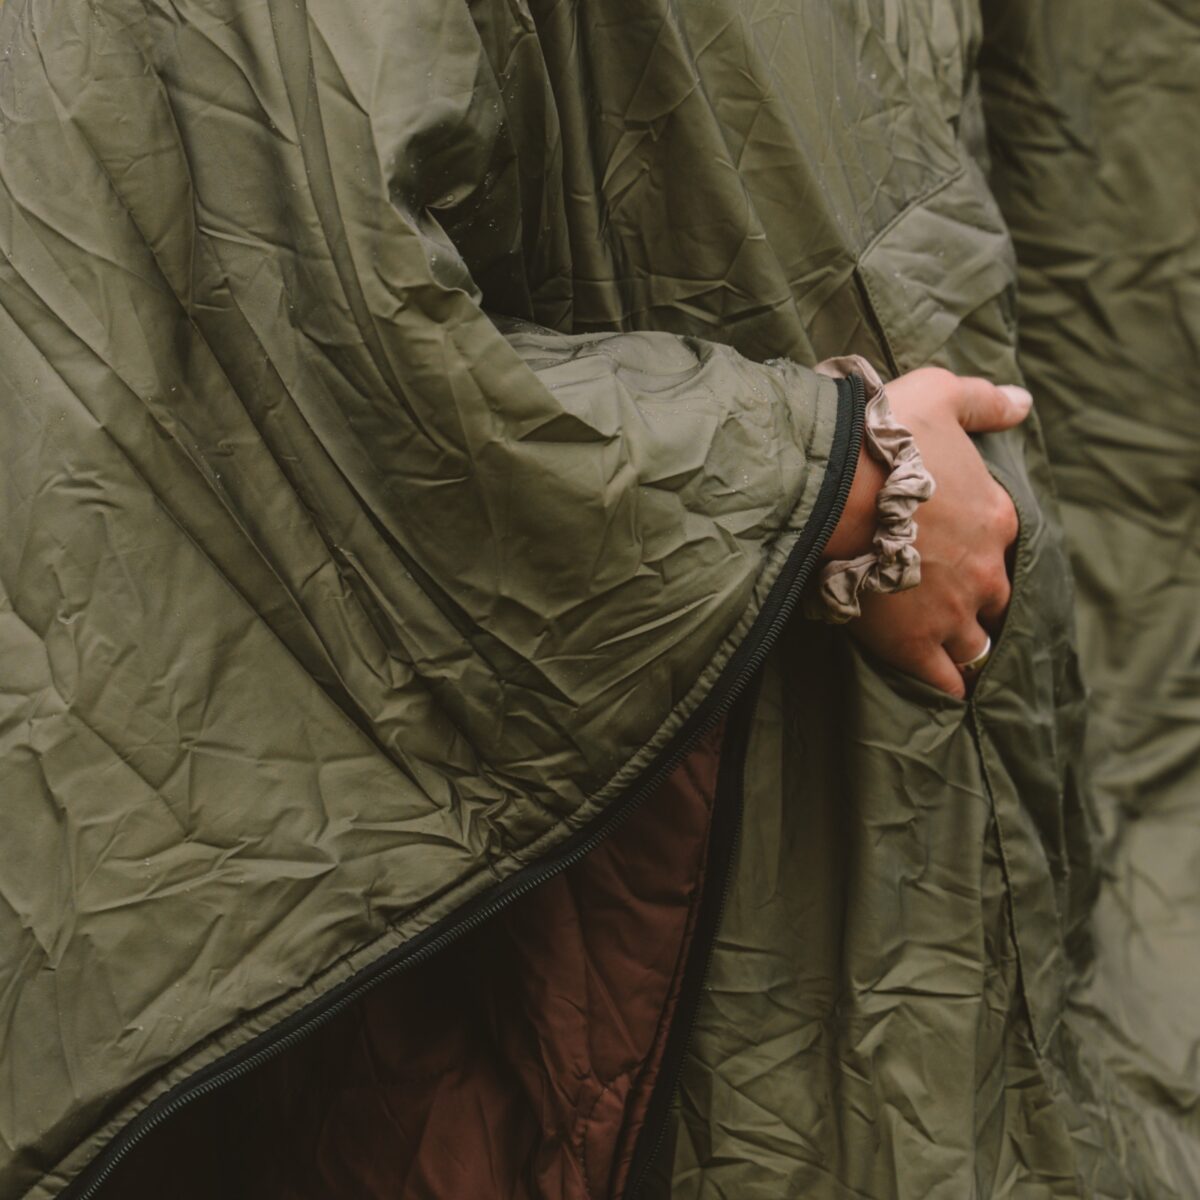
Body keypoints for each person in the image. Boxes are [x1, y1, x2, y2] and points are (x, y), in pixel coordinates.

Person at [0, 0, 1194, 1198]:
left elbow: (1103, 256)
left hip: (989, 842)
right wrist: (836, 475)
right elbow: (283, 294)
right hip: (644, 918)